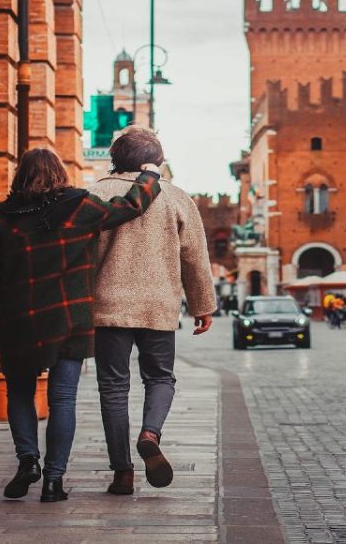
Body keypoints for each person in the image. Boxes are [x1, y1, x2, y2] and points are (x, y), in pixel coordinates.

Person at [0, 148, 162, 503]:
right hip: (68, 317)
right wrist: (150, 175)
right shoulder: (78, 207)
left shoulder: (0, 218)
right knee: (62, 398)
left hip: (18, 321)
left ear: (21, 175)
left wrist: (0, 312)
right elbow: (129, 206)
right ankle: (53, 481)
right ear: (59, 172)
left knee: (20, 393)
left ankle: (28, 459)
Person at [88, 127, 216, 496]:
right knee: (160, 378)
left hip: (107, 304)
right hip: (159, 304)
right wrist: (202, 304)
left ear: (115, 158)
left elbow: (80, 256)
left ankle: (122, 473)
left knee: (113, 387)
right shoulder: (175, 197)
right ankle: (150, 433)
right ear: (155, 162)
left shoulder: (94, 194)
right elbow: (194, 255)